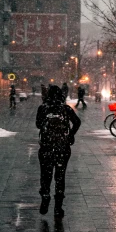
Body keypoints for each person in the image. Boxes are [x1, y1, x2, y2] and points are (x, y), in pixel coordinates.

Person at [36, 85, 81, 217]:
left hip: (46, 147)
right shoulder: (66, 109)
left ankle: (45, 197)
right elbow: (77, 122)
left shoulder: (43, 108)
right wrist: (70, 135)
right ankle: (58, 207)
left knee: (45, 174)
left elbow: (38, 124)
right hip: (62, 147)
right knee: (60, 177)